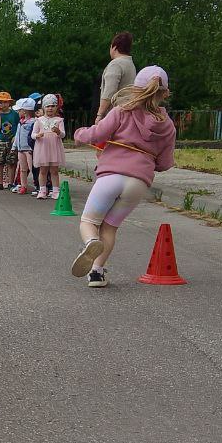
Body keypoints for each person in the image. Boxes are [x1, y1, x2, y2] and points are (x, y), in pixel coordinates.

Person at [71, 65, 176, 287]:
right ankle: (96, 273)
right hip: (138, 183)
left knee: (89, 222)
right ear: (165, 93)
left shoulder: (122, 111)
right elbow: (165, 163)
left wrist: (79, 134)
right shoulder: (167, 126)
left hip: (110, 177)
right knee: (110, 227)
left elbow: (97, 134)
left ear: (135, 88)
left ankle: (91, 242)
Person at [32, 94, 66, 199]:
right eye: (47, 106)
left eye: (53, 106)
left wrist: (58, 132)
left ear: (56, 107)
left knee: (54, 171)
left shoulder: (59, 120)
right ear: (43, 107)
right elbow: (33, 134)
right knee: (43, 171)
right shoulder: (39, 120)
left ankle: (55, 191)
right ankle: (42, 190)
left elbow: (63, 135)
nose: (50, 108)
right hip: (43, 147)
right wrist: (37, 135)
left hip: (54, 148)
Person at [96, 32, 137, 119]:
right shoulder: (130, 64)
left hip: (114, 115)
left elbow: (109, 92)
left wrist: (100, 114)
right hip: (128, 112)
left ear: (114, 47)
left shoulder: (115, 64)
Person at [0, 92, 18, 189]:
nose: (3, 104)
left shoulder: (14, 114)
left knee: (11, 162)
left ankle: (10, 183)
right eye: (0, 102)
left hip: (11, 141)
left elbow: (18, 125)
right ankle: (0, 183)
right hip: (0, 141)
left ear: (9, 103)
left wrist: (15, 136)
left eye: (5, 102)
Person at [13, 99, 36, 194]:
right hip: (21, 149)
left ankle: (37, 185)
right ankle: (23, 186)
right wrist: (14, 146)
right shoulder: (20, 122)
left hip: (29, 149)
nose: (18, 112)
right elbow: (17, 135)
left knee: (32, 168)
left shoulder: (33, 122)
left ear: (25, 111)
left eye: (19, 110)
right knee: (22, 169)